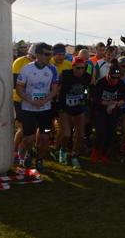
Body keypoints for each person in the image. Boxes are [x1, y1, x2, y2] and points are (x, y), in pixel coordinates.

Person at [16, 43, 60, 172]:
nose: (50, 57)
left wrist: (45, 100)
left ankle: (40, 159)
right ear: (38, 54)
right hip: (28, 109)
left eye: (50, 54)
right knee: (28, 139)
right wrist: (30, 100)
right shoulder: (26, 69)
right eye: (47, 54)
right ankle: (29, 152)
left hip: (45, 110)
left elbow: (55, 89)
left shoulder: (53, 69)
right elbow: (19, 89)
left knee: (45, 136)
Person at [91, 59, 125, 163]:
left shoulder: (120, 83)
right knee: (100, 133)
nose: (115, 80)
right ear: (108, 75)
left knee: (111, 134)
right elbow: (95, 99)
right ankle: (95, 152)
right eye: (113, 77)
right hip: (100, 110)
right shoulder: (101, 82)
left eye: (117, 78)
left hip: (113, 110)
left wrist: (115, 104)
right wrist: (108, 104)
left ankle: (104, 154)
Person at [57, 57, 91, 168]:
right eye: (77, 68)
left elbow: (86, 88)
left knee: (81, 135)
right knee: (66, 133)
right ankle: (62, 150)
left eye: (82, 68)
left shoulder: (87, 76)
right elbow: (57, 88)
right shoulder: (65, 74)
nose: (80, 70)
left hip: (79, 107)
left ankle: (75, 155)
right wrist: (56, 102)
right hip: (65, 108)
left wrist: (85, 96)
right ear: (73, 67)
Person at [12, 44, 35, 165]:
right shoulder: (19, 62)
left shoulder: (41, 65)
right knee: (24, 127)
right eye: (33, 57)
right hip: (19, 99)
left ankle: (23, 151)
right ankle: (16, 151)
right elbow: (15, 83)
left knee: (30, 128)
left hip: (32, 100)